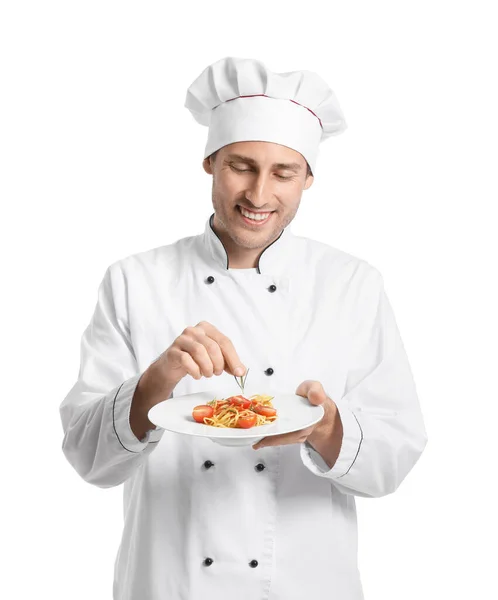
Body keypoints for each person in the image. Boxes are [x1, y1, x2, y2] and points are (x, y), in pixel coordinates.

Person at [59, 56, 428, 600]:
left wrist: (324, 427)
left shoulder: (352, 284)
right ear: (210, 162)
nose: (259, 195)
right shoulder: (134, 280)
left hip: (306, 583)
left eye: (283, 173)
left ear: (308, 178)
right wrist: (156, 381)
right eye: (241, 165)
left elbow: (394, 456)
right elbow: (88, 459)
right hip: (170, 582)